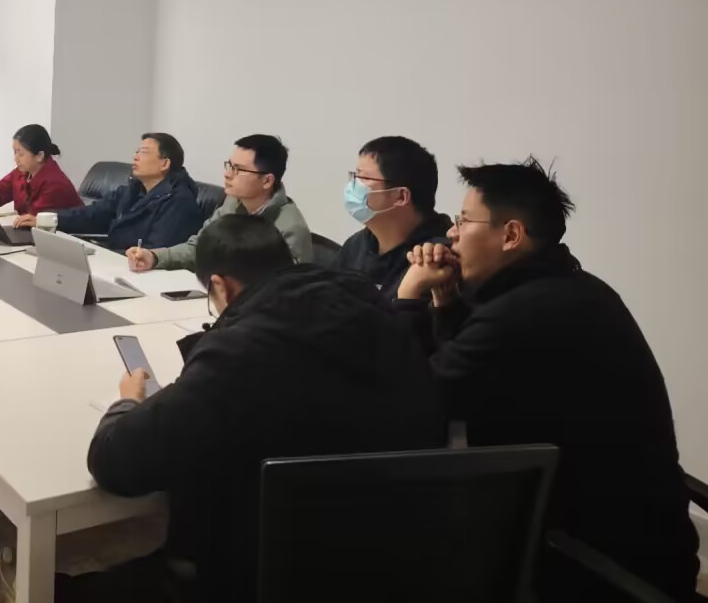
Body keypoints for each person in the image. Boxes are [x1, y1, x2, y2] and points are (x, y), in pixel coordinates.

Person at [54, 216, 443, 603]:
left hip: (260, 572)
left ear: (220, 286)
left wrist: (128, 402)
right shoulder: (378, 309)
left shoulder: (240, 352)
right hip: (387, 559)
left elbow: (114, 462)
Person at [396, 159, 700, 601]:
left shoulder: (527, 311)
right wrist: (446, 302)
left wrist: (408, 298)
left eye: (463, 220)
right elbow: (467, 374)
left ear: (511, 235)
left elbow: (415, 403)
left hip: (593, 562)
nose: (451, 234)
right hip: (637, 536)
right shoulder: (570, 287)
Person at [126, 134, 312, 272]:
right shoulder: (232, 204)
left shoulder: (290, 228)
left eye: (238, 169)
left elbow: (285, 292)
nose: (227, 174)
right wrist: (155, 257)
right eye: (229, 165)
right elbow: (199, 248)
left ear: (267, 181)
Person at [16, 133, 201, 253]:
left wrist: (102, 255)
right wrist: (48, 219)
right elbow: (93, 213)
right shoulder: (133, 189)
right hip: (114, 260)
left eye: (144, 152)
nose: (135, 157)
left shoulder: (179, 202)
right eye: (136, 151)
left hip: (138, 273)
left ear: (164, 163)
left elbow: (155, 253)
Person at [335, 135, 453, 299]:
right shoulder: (356, 245)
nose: (353, 186)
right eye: (355, 176)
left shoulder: (433, 257)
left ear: (401, 196)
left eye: (364, 178)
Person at [0, 123, 82, 215]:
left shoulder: (55, 184)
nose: (15, 159)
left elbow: (34, 218)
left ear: (39, 156)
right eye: (14, 152)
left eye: (20, 154)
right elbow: (0, 189)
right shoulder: (22, 173)